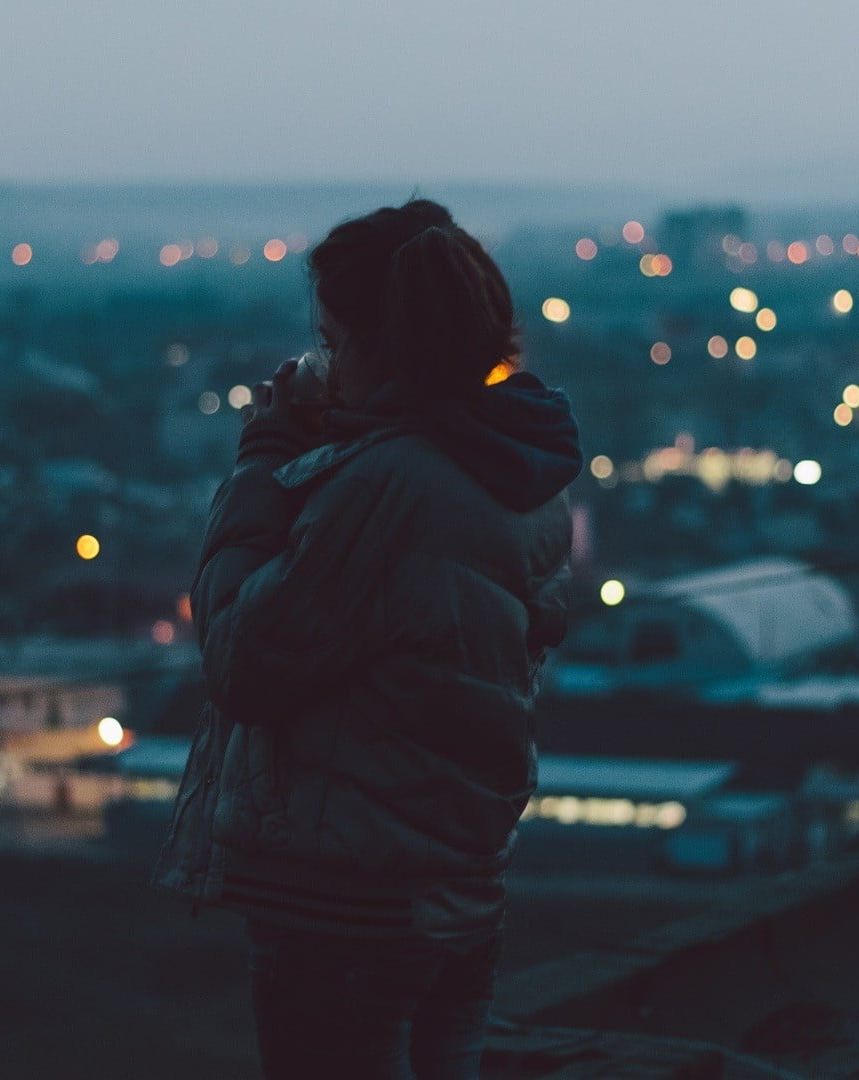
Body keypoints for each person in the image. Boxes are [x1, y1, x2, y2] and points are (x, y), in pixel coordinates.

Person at [154, 198, 580, 1080]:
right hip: (457, 883)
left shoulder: (390, 485)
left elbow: (243, 661)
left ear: (389, 351)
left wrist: (264, 461)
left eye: (336, 343)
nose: (325, 367)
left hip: (350, 901)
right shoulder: (517, 465)